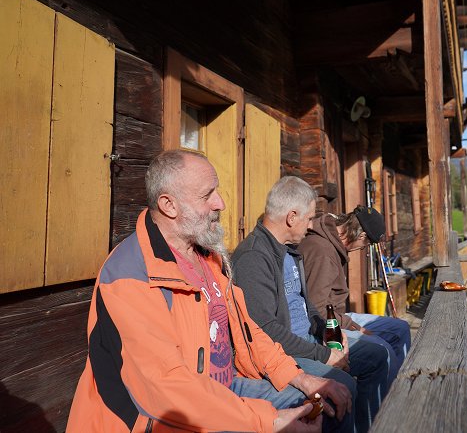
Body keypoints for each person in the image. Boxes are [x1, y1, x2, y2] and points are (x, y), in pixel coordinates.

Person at [66, 150, 354, 433]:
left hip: (223, 387)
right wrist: (269, 421)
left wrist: (301, 378)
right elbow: (168, 388)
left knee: (327, 401)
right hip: (161, 417)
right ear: (169, 205)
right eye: (207, 195)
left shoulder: (207, 257)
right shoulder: (131, 273)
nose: (221, 203)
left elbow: (250, 332)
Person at [231, 176, 391, 433]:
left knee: (377, 355)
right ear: (291, 217)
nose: (310, 226)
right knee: (341, 386)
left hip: (310, 342)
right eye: (308, 219)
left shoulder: (290, 251)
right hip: (284, 354)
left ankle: (369, 426)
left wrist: (333, 334)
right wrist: (325, 355)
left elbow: (310, 308)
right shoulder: (254, 257)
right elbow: (265, 329)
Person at [297, 206, 411, 385]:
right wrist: (356, 328)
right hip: (325, 326)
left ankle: (399, 387)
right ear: (361, 236)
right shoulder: (323, 252)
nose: (362, 249)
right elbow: (317, 310)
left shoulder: (331, 241)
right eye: (365, 246)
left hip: (339, 317)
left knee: (400, 329)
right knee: (384, 350)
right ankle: (380, 407)